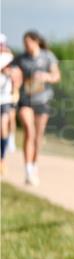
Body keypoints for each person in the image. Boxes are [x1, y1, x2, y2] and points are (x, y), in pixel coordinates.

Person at [15, 30, 60, 186]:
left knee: (38, 136)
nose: (26, 46)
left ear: (36, 42)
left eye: (28, 43)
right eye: (24, 43)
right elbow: (8, 69)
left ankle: (34, 165)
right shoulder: (21, 58)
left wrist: (46, 76)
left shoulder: (48, 56)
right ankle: (27, 170)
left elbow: (56, 76)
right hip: (25, 100)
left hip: (43, 100)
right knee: (29, 130)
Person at [0, 34, 23, 178]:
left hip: (5, 99)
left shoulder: (10, 58)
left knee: (3, 126)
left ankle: (2, 158)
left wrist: (15, 90)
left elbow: (17, 75)